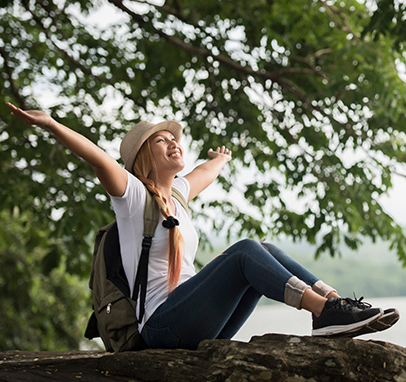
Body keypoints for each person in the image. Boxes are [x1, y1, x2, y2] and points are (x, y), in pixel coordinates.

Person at [6, 102, 399, 350]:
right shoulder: (133, 199)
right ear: (143, 158)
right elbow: (99, 160)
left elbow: (202, 173)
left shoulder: (176, 197)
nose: (173, 143)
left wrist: (222, 159)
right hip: (159, 330)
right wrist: (53, 125)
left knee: (265, 250)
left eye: (175, 139)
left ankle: (331, 305)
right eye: (161, 141)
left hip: (193, 325)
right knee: (245, 251)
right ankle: (325, 311)